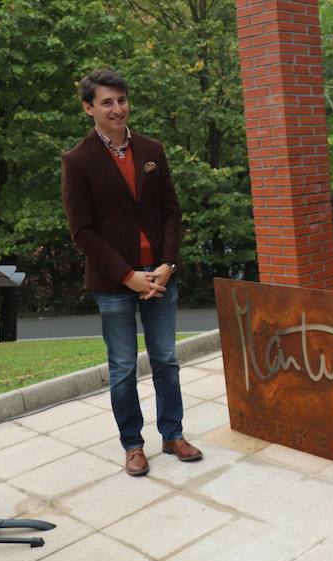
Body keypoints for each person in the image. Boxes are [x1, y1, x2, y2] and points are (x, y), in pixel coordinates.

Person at [61, 69, 203, 477]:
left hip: (160, 276)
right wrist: (128, 276)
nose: (117, 108)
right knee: (123, 367)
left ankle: (173, 435)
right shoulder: (78, 160)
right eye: (107, 102)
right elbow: (82, 232)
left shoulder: (152, 149)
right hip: (113, 282)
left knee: (166, 360)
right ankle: (133, 445)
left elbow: (172, 213)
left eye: (121, 100)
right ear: (88, 108)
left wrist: (167, 265)